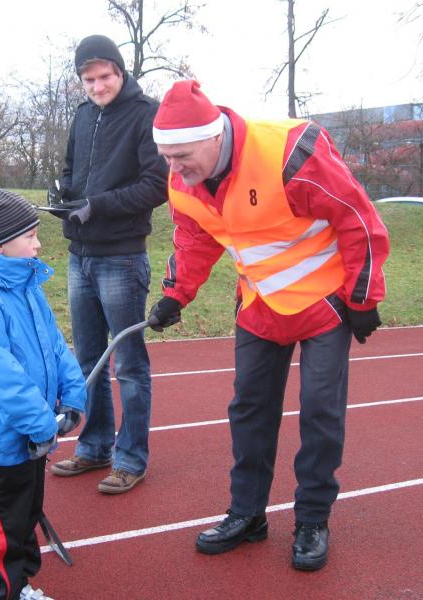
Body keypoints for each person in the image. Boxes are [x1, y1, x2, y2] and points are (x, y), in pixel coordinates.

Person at [147, 81, 390, 571]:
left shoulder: (290, 151)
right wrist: (176, 294)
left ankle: (313, 520)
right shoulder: (182, 180)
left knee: (320, 412)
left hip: (325, 302)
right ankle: (247, 513)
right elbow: (194, 238)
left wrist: (363, 296)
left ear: (215, 137)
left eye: (182, 155)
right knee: (249, 410)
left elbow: (356, 217)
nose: (175, 168)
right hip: (260, 303)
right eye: (166, 157)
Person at [0, 189, 87, 600]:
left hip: (33, 433)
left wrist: (73, 393)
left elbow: (54, 345)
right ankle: (5, 592)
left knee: (25, 516)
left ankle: (21, 586)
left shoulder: (26, 286)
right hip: (7, 439)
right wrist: (41, 423)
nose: (38, 244)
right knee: (8, 525)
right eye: (30, 236)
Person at [46, 34, 168, 494]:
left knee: (129, 364)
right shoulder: (82, 116)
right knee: (88, 361)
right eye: (89, 80)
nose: (97, 87)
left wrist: (95, 205)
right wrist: (63, 195)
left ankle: (130, 457)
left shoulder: (146, 114)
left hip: (122, 256)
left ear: (120, 71)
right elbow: (69, 169)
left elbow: (156, 186)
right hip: (80, 255)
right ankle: (95, 445)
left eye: (104, 77)